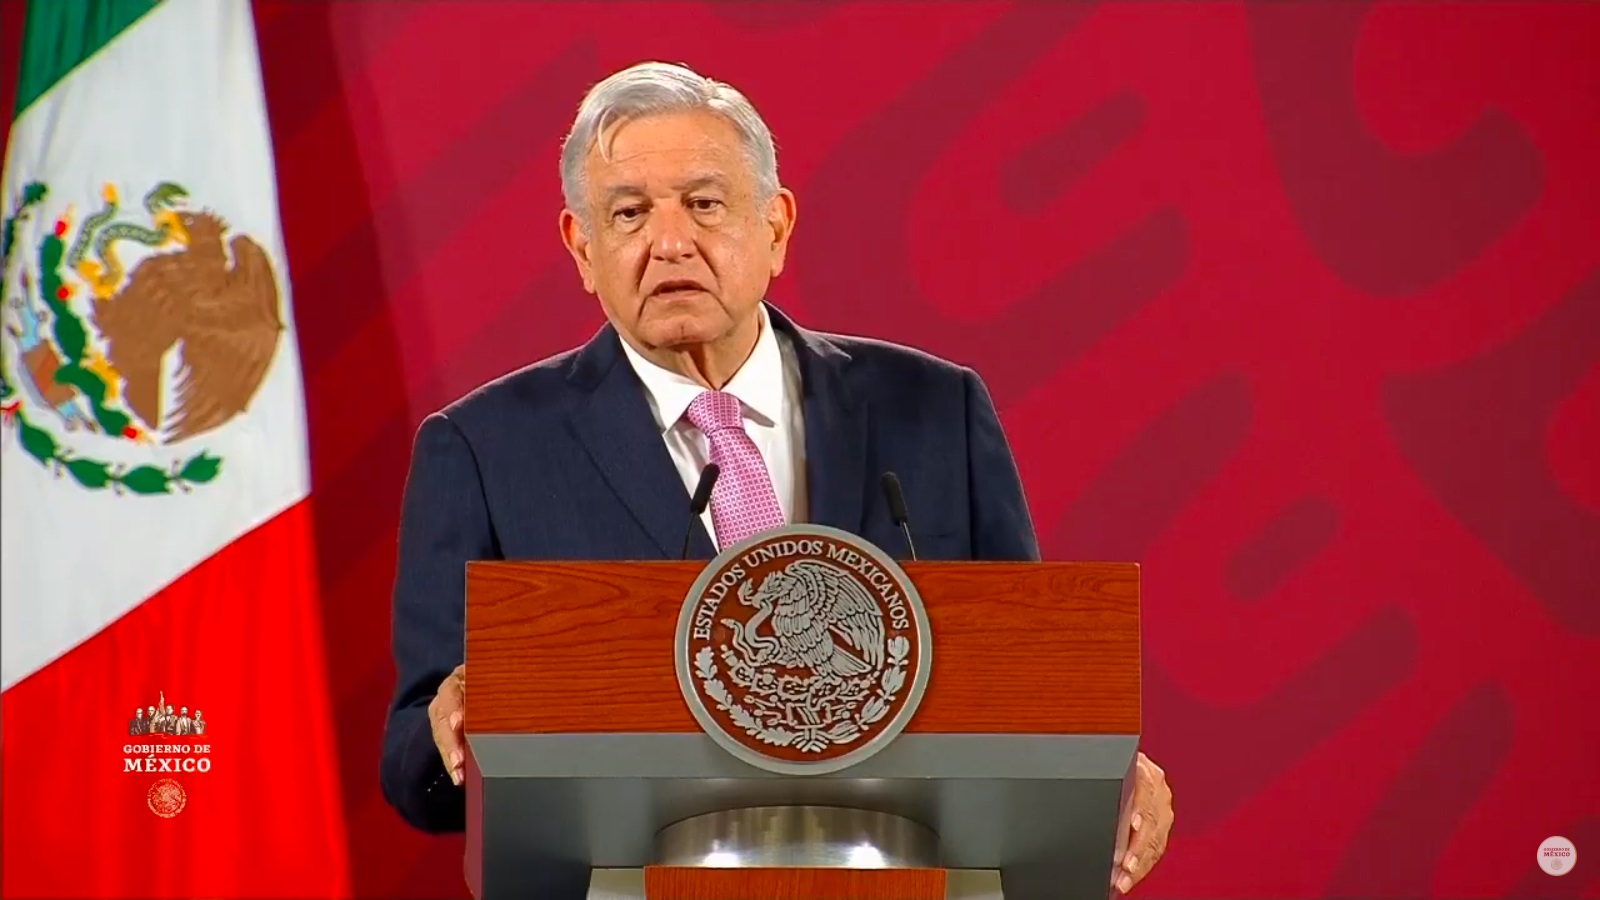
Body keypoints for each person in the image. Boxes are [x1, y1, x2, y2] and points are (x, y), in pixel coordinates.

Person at [380, 61, 1174, 894]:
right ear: (583, 248)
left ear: (776, 226)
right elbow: (411, 765)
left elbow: (1028, 682)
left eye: (704, 203)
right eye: (629, 213)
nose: (670, 242)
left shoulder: (935, 410)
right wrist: (453, 729)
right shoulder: (486, 449)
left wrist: (1110, 771)